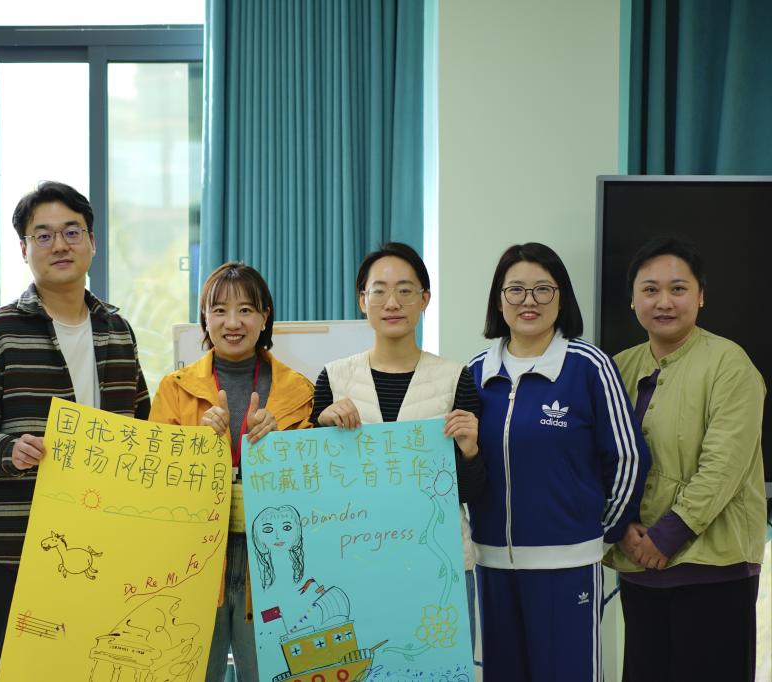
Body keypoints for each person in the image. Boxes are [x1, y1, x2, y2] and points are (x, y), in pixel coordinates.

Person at [0, 181, 150, 682]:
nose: (59, 244)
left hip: (107, 536)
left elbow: (144, 423)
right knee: (21, 668)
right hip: (21, 539)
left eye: (71, 232)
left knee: (100, 664)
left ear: (91, 242)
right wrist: (9, 450)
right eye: (43, 235)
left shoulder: (117, 330)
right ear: (24, 249)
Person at [467, 242, 649, 682]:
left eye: (543, 289)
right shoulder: (475, 373)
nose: (528, 300)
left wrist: (598, 531)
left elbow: (627, 456)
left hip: (567, 566)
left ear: (561, 298)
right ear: (498, 300)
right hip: (492, 565)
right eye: (516, 289)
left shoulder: (588, 365)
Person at [604, 237, 766, 682]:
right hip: (639, 563)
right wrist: (623, 529)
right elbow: (603, 460)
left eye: (678, 289)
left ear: (701, 295)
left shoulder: (730, 363)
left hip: (714, 567)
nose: (664, 302)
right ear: (633, 299)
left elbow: (724, 467)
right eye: (650, 289)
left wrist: (666, 536)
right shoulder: (617, 368)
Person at [310, 242, 485, 645]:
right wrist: (321, 426)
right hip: (353, 565)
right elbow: (315, 489)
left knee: (439, 667)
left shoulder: (456, 377)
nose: (392, 303)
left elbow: (472, 492)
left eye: (406, 290)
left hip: (439, 564)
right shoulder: (333, 379)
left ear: (425, 299)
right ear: (362, 300)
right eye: (380, 291)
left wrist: (471, 451)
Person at [149, 261, 313, 682]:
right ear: (205, 319)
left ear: (265, 317)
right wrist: (198, 444)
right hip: (195, 558)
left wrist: (280, 443)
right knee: (191, 672)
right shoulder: (175, 388)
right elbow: (156, 479)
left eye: (246, 310)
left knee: (267, 673)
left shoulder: (298, 391)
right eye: (219, 310)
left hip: (272, 558)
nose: (233, 322)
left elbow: (314, 485)